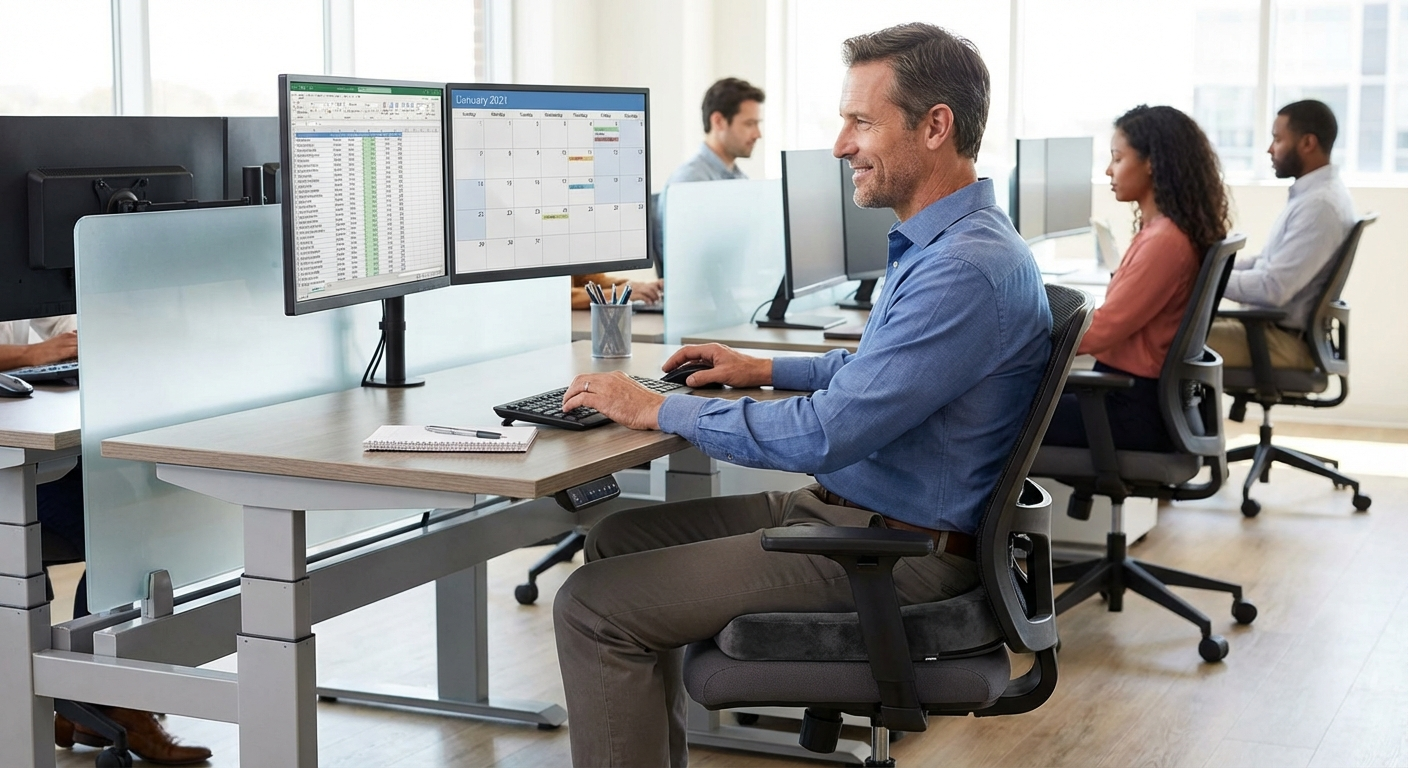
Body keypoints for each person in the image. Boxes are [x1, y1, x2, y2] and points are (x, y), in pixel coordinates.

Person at [551, 23, 1051, 766]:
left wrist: (656, 407)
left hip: (892, 552)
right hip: (866, 513)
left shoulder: (963, 270)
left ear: (936, 126)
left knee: (591, 606)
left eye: (859, 121)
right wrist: (764, 369)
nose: (840, 144)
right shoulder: (954, 242)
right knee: (620, 537)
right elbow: (883, 375)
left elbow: (828, 434)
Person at [1, 317, 214, 765]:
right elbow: (34, 346)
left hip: (30, 432)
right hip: (9, 459)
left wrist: (86, 331)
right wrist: (30, 355)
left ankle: (90, 695)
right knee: (115, 529)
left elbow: (54, 307)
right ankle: (111, 697)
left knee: (128, 506)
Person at [1042, 106, 1231, 453]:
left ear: (1152, 163)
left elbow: (1099, 332)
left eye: (1117, 158)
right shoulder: (1165, 231)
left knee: (992, 418)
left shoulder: (1165, 241)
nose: (1108, 170)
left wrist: (1015, 338)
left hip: (1130, 409)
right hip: (1135, 396)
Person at [1207, 100, 1356, 370]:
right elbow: (1264, 263)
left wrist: (1205, 277)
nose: (1269, 149)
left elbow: (1271, 288)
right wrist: (1209, 264)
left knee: (1164, 341)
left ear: (1307, 143)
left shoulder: (1320, 206)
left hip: (1280, 342)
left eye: (1277, 139)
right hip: (1267, 330)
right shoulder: (1312, 197)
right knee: (1174, 326)